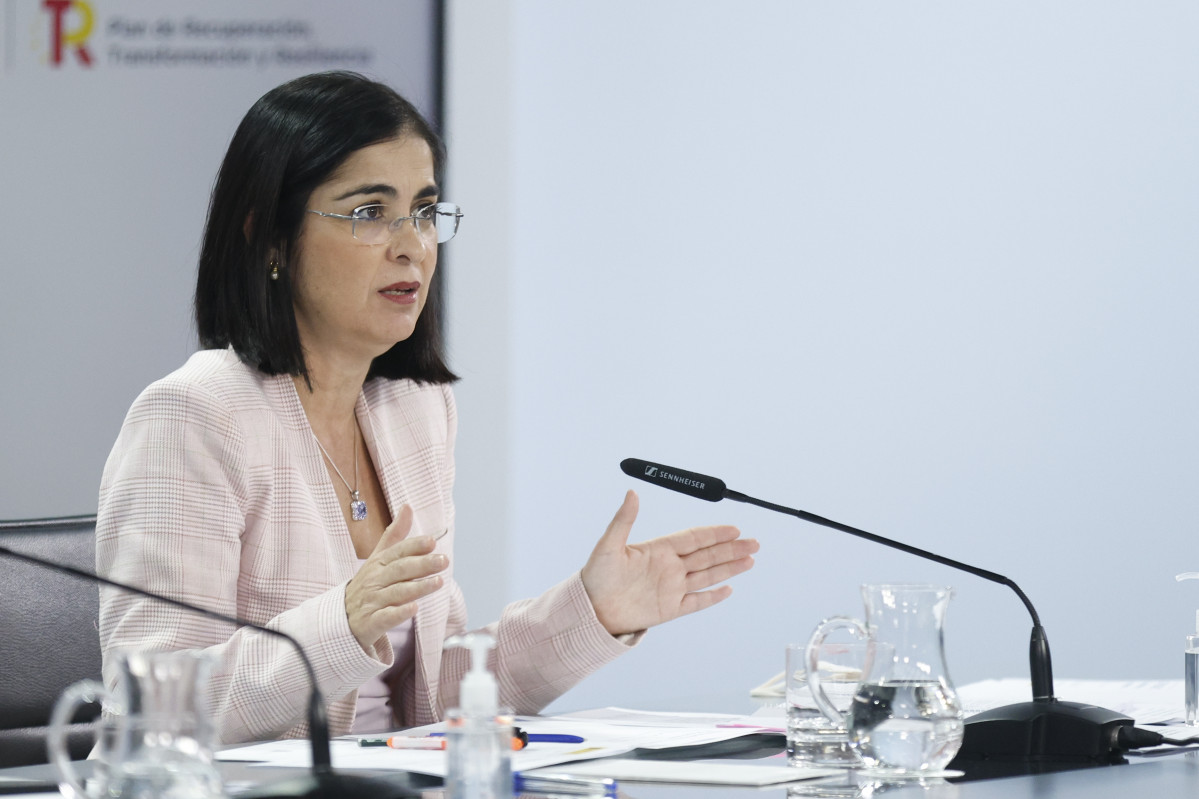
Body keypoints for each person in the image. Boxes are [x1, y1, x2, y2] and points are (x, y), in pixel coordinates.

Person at [95, 71, 759, 745]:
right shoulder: (194, 417)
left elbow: (435, 693)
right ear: (268, 236)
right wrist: (343, 623)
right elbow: (149, 709)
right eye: (368, 213)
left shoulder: (414, 409)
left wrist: (593, 610)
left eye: (423, 210)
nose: (410, 243)